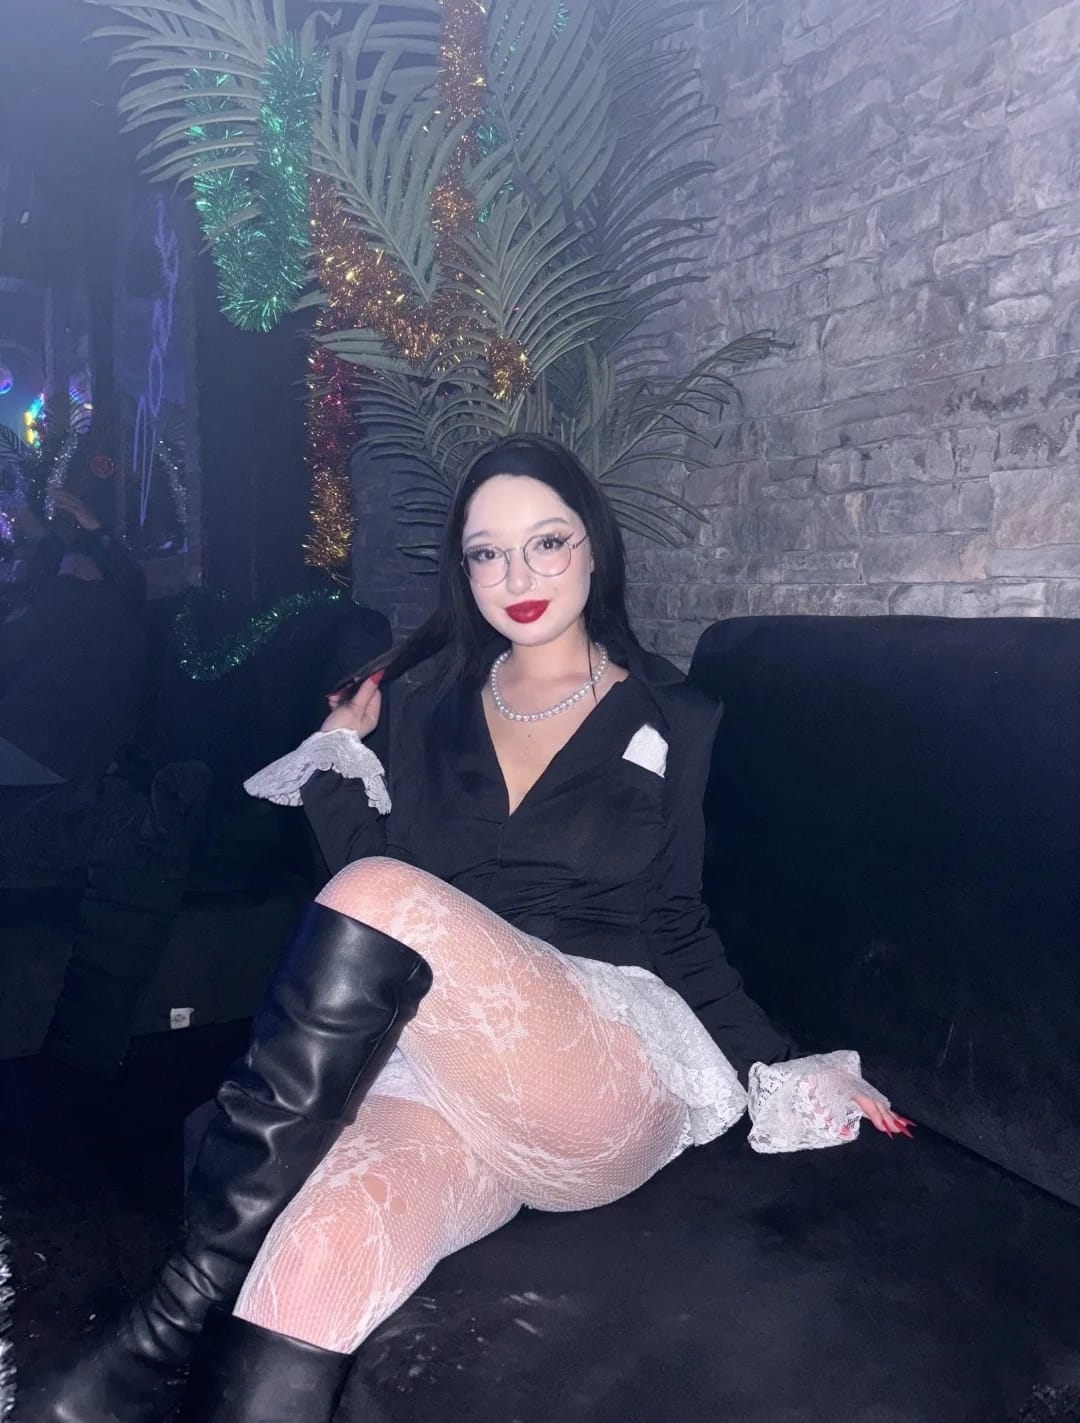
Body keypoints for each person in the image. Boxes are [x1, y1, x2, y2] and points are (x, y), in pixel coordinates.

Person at [23, 436, 910, 1423]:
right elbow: (378, 900)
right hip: (451, 1070)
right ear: (464, 569)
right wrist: (336, 757)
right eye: (488, 553)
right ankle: (193, 1336)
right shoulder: (425, 707)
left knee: (382, 894)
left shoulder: (674, 715)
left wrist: (783, 1064)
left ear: (594, 545)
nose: (518, 577)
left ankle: (164, 1328)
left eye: (547, 542)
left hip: (603, 1061)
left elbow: (676, 921)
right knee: (312, 1257)